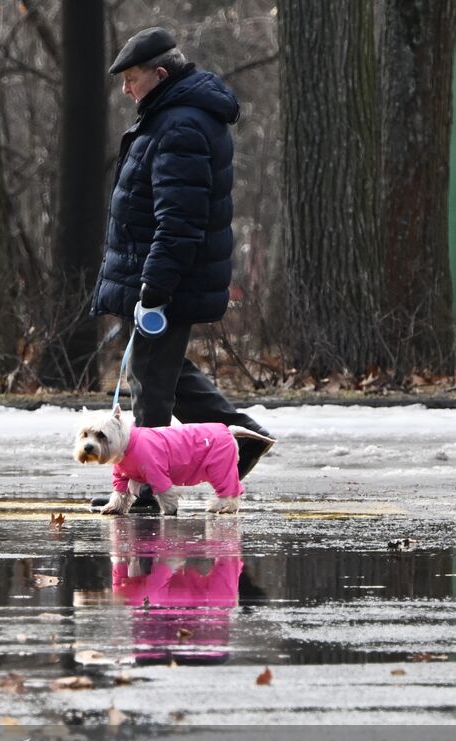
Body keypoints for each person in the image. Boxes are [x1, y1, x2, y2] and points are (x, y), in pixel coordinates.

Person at [89, 27, 273, 513]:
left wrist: (155, 284)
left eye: (132, 78)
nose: (126, 89)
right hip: (156, 273)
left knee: (151, 376)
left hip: (165, 278)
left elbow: (180, 218)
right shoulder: (167, 118)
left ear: (161, 74)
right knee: (159, 369)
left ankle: (145, 486)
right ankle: (244, 436)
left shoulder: (180, 126)